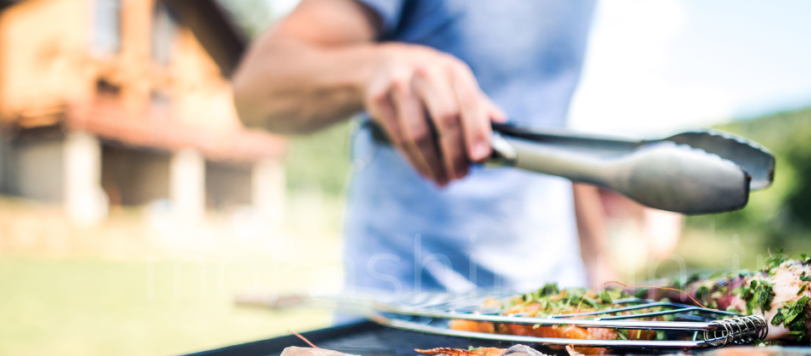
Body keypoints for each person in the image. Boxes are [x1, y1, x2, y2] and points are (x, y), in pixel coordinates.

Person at [233, 0, 615, 296]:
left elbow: (550, 122)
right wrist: (373, 68)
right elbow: (256, 87)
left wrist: (600, 266)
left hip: (549, 310)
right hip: (404, 318)